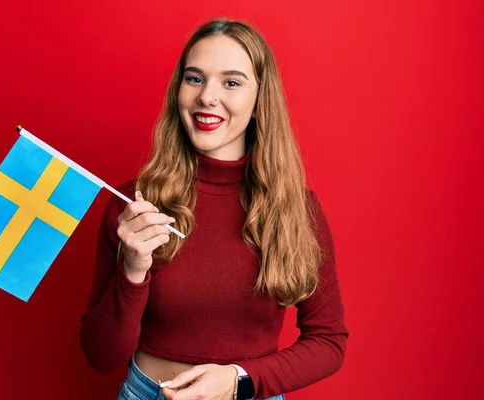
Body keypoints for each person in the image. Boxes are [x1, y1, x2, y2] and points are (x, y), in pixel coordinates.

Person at [80, 19, 349, 400]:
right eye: (195, 78)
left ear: (259, 101)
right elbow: (100, 355)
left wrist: (241, 379)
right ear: (179, 90)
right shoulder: (135, 206)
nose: (207, 96)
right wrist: (132, 270)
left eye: (232, 82)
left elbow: (329, 341)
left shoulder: (297, 210)